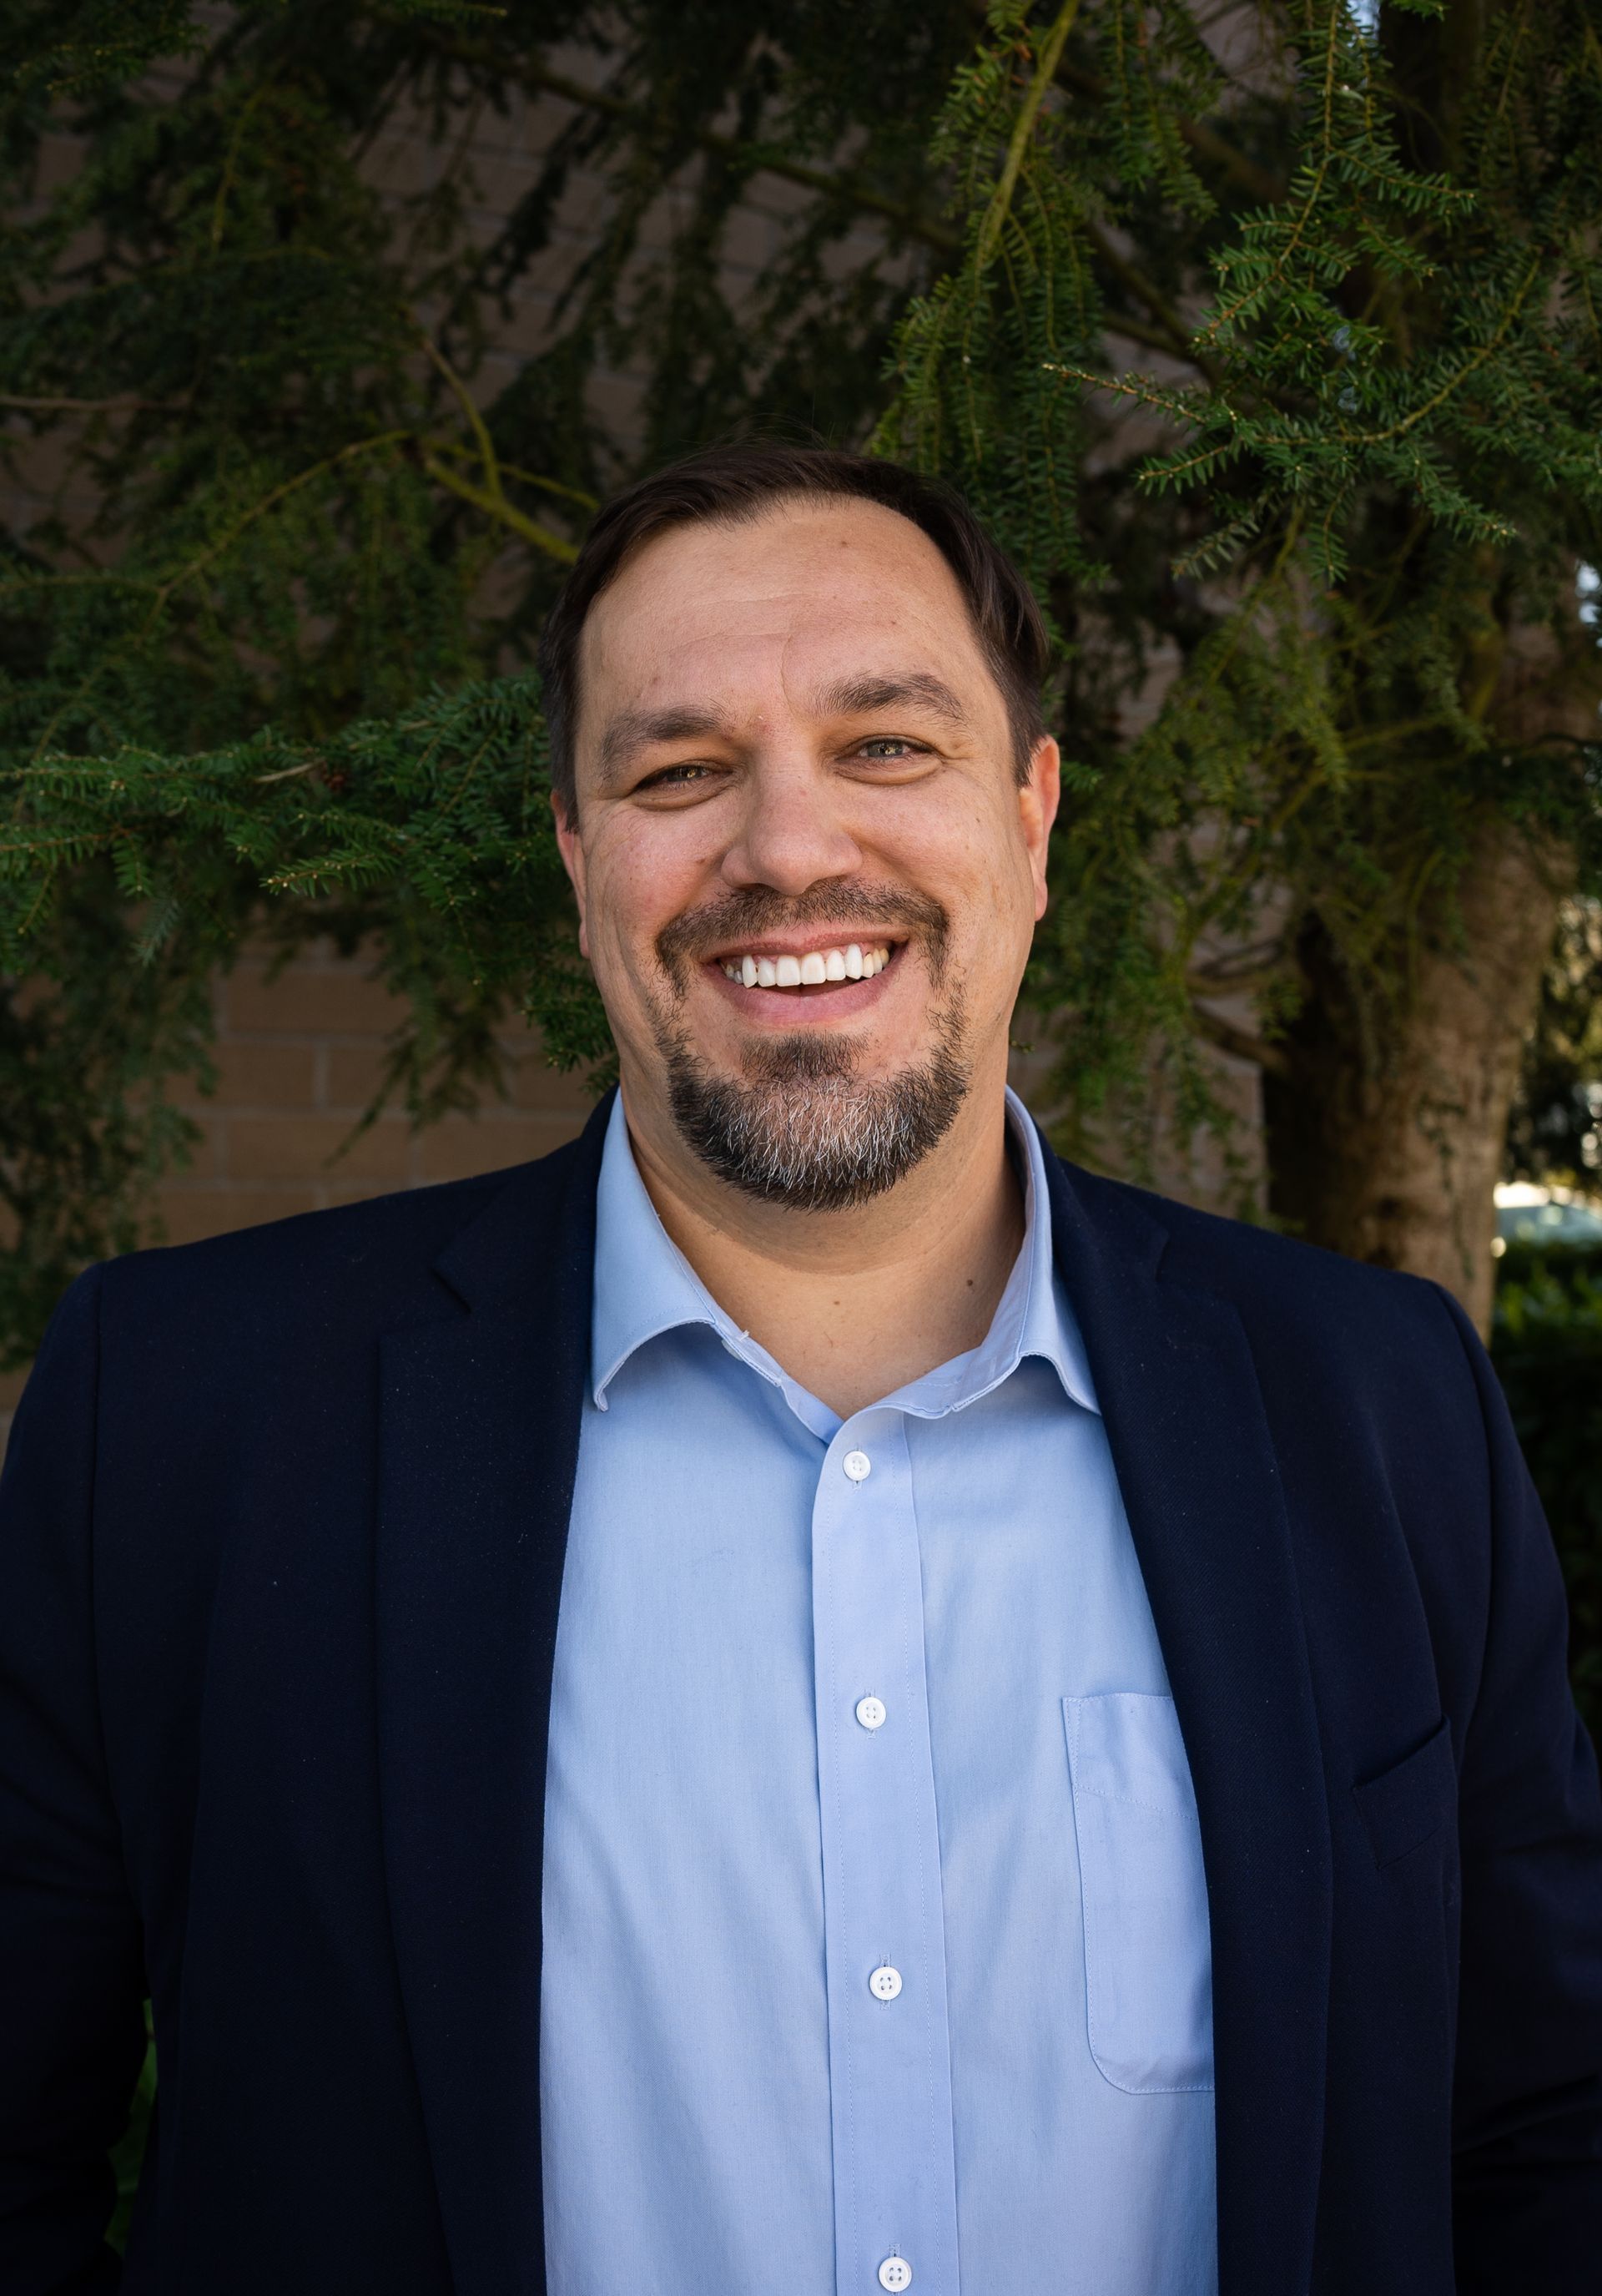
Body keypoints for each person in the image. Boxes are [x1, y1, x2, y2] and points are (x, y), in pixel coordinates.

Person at [0, 442, 1598, 2296]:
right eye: (680, 771)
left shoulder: (1379, 1409)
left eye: (888, 744)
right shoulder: (183, 1420)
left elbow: (1538, 2134)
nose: (787, 846)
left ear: (1033, 816)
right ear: (582, 857)